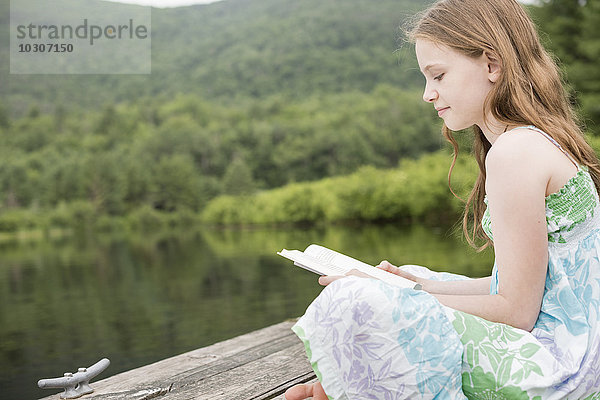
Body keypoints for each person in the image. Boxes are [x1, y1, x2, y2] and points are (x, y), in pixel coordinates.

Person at [283, 0, 600, 399]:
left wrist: (390, 294)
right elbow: (527, 286)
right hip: (580, 350)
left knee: (359, 299)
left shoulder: (514, 154)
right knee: (412, 275)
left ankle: (336, 390)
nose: (427, 94)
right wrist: (414, 285)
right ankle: (337, 388)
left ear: (491, 65)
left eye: (438, 75)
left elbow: (517, 312)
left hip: (562, 366)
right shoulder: (529, 141)